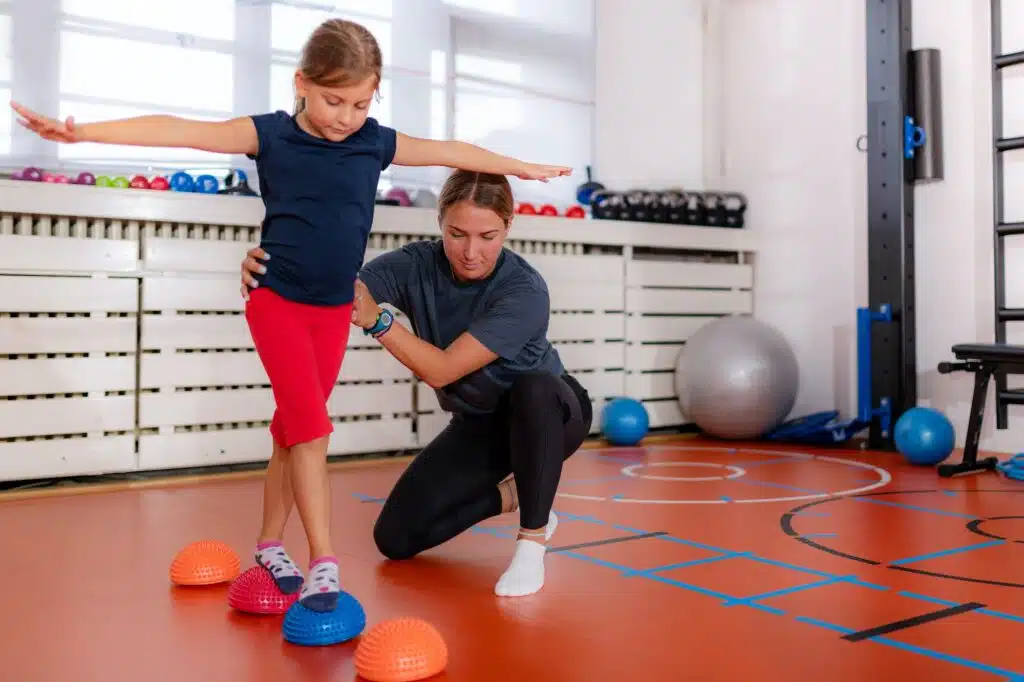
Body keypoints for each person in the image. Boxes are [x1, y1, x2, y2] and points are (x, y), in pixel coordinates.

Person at [11, 19, 570, 613]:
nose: (346, 116)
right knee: (312, 429)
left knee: (290, 427)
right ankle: (323, 562)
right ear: (301, 83)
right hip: (277, 301)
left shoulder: (373, 142)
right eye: (334, 100)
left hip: (331, 313)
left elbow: (450, 150)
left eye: (361, 102)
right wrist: (82, 133)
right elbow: (184, 130)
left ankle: (268, 544)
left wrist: (521, 167)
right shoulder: (270, 135)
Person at [240, 169, 592, 597]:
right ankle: (516, 495)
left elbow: (442, 370)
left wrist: (378, 320)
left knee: (531, 389)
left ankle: (532, 541)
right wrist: (272, 274)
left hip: (551, 416)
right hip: (479, 424)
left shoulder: (524, 289)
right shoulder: (417, 264)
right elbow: (342, 290)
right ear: (440, 221)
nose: (470, 252)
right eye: (457, 233)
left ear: (508, 227)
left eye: (488, 236)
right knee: (396, 538)